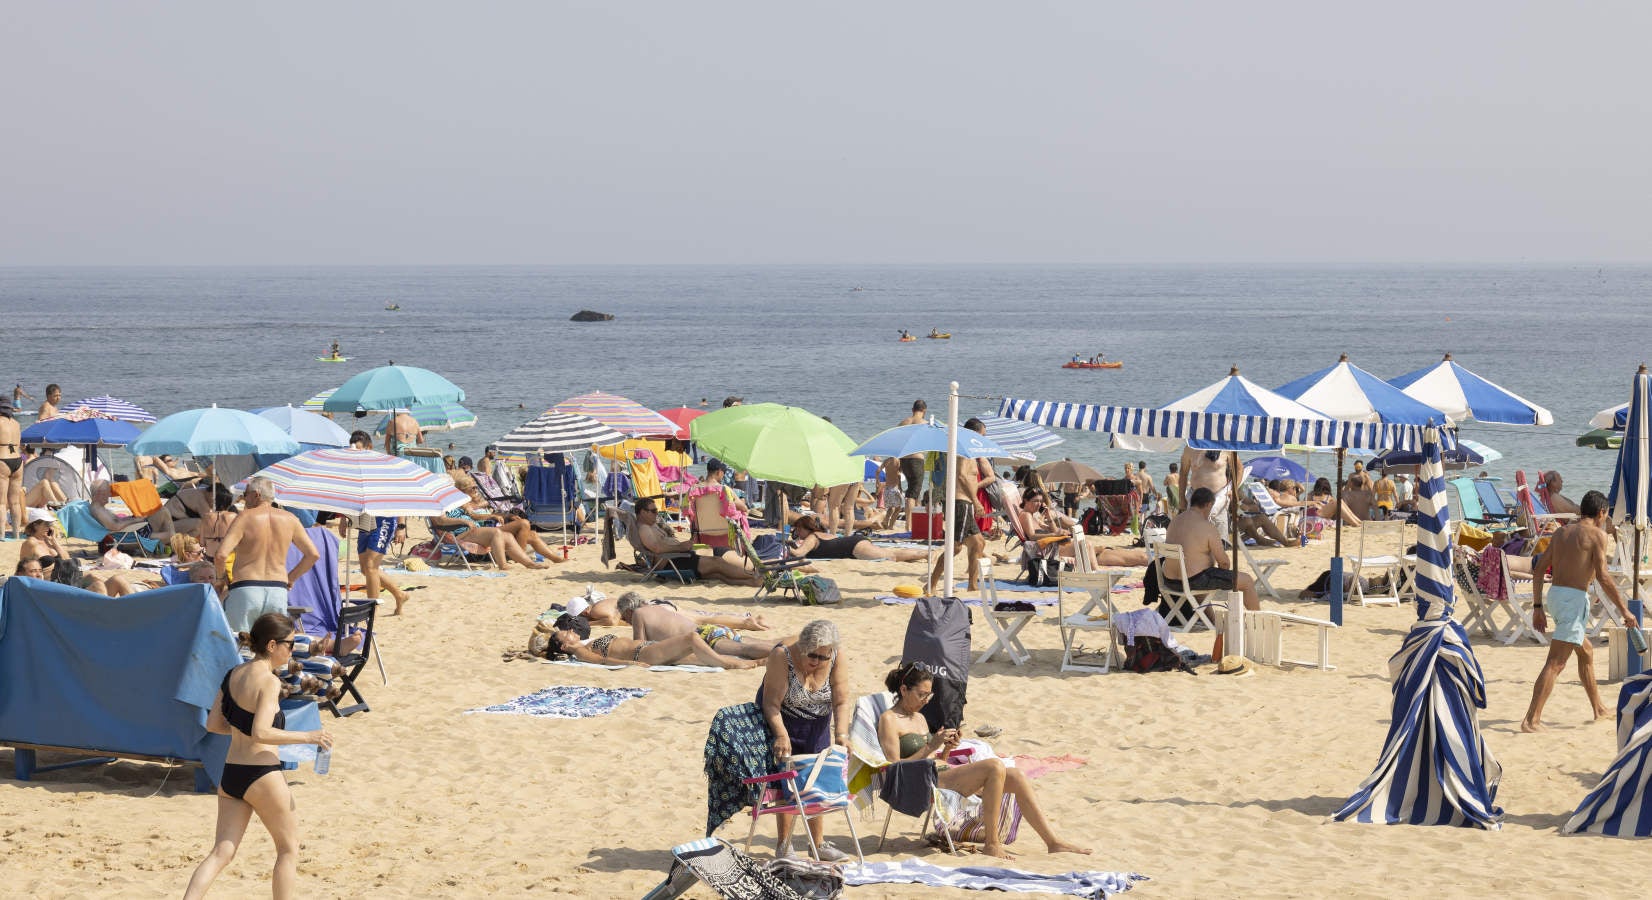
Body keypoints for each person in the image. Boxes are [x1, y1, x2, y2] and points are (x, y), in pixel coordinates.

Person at [184, 613, 333, 900]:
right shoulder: (269, 681)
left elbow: (213, 725)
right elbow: (262, 732)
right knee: (288, 849)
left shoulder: (233, 674)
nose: (293, 650)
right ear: (272, 645)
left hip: (232, 774)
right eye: (290, 644)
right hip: (262, 773)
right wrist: (309, 736)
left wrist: (245, 730)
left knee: (221, 852)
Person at [878, 663, 1090, 859]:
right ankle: (992, 843)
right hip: (920, 781)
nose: (925, 701)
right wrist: (931, 746)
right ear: (904, 690)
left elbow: (933, 758)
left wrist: (946, 749)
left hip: (941, 771)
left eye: (929, 695)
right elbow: (894, 767)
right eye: (921, 694)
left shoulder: (920, 718)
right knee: (994, 765)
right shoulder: (889, 719)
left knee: (1016, 775)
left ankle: (1053, 842)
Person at [1520, 490, 1634, 732]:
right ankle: (1531, 720)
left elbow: (1539, 569)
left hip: (1556, 597)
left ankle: (1599, 708)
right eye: (1606, 514)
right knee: (1556, 663)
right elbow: (1602, 576)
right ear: (1602, 513)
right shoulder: (1597, 535)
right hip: (1573, 600)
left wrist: (1538, 607)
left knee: (1586, 652)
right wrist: (1624, 610)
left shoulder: (1561, 532)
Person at [758, 620, 851, 860]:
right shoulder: (782, 656)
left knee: (815, 781)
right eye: (812, 655)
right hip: (784, 720)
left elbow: (841, 700)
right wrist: (780, 734)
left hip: (817, 725)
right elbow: (771, 704)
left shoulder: (835, 657)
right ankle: (784, 844)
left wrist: (841, 734)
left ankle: (817, 843)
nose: (817, 662)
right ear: (801, 646)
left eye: (823, 657)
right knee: (786, 784)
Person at [1162, 487, 1260, 660]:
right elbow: (1224, 562)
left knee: (1205, 578)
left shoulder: (1175, 521)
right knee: (1246, 581)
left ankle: (1213, 621)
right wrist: (1214, 566)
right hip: (1192, 581)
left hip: (1169, 581)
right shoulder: (1207, 527)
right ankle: (1258, 621)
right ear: (1208, 505)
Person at [215, 477, 321, 635]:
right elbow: (312, 555)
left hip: (246, 588)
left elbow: (221, 555)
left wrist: (222, 578)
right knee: (272, 647)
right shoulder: (290, 519)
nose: (244, 499)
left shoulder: (245, 517)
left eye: (245, 494)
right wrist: (291, 578)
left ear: (256, 494)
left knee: (239, 646)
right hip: (277, 590)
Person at [632, 497, 760, 586]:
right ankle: (753, 577)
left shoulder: (650, 525)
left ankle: (751, 582)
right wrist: (681, 547)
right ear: (643, 512)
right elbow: (657, 549)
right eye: (653, 511)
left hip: (677, 557)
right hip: (671, 562)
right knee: (717, 563)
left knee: (718, 574)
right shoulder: (644, 529)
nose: (656, 514)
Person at [616, 591, 777, 660]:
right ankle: (790, 646)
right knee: (758, 642)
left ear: (629, 611)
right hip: (712, 629)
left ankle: (788, 655)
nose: (626, 621)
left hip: (703, 636)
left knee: (745, 650)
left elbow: (639, 647)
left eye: (624, 617)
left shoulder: (638, 614)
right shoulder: (658, 607)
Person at [547, 618, 758, 669]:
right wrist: (629, 664)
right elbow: (601, 660)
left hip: (647, 649)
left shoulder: (586, 643)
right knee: (692, 639)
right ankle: (727, 663)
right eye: (565, 633)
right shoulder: (580, 651)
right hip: (642, 654)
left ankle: (759, 661)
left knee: (701, 659)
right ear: (564, 646)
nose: (571, 631)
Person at [927, 433, 987, 596]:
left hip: (964, 502)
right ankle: (931, 584)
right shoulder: (962, 452)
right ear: (976, 433)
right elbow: (960, 475)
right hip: (961, 502)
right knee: (955, 548)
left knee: (978, 543)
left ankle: (972, 584)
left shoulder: (969, 453)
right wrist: (975, 500)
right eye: (983, 433)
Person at [787, 514, 926, 562]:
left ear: (807, 528)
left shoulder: (812, 538)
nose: (797, 532)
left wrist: (785, 546)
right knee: (891, 553)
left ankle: (925, 554)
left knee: (892, 556)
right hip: (854, 542)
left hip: (854, 547)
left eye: (799, 529)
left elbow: (798, 554)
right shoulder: (822, 534)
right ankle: (921, 555)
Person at [1177, 447, 1241, 537]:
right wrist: (1181, 499)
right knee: (1194, 534)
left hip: (1219, 496)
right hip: (1195, 497)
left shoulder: (1226, 448)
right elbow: (1183, 473)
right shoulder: (1190, 448)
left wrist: (1233, 489)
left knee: (1220, 538)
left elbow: (1239, 469)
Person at [898, 400, 928, 530]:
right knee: (912, 493)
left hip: (904, 460)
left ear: (912, 409)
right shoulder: (925, 423)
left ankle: (918, 521)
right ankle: (909, 524)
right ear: (924, 411)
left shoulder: (904, 423)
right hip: (917, 459)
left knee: (913, 490)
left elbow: (896, 440)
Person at [0, 398, 22, 540]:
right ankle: (16, 534)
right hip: (18, 462)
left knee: (1, 502)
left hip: (2, 460)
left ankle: (1, 534)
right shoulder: (16, 424)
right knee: (15, 502)